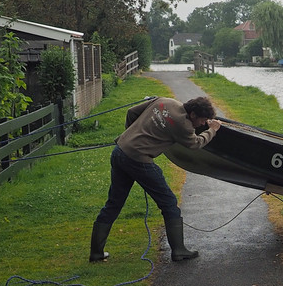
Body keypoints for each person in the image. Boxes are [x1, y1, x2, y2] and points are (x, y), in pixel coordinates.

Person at [90, 96, 222, 263]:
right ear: (193, 114)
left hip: (120, 150)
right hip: (138, 160)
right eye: (202, 120)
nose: (203, 124)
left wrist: (131, 136)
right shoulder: (184, 125)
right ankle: (179, 250)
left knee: (114, 203)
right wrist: (213, 130)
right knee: (168, 202)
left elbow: (131, 112)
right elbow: (195, 144)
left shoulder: (165, 101)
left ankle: (96, 253)